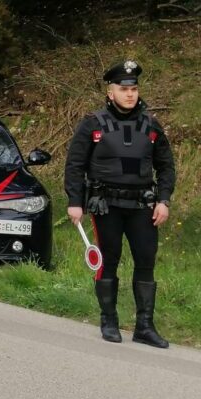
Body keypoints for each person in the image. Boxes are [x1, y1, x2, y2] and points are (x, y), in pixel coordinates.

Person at [65, 60, 175, 348]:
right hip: (106, 205)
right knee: (108, 260)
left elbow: (166, 167)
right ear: (110, 91)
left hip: (143, 206)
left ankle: (145, 327)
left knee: (146, 262)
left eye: (134, 89)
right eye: (123, 89)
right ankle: (109, 321)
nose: (130, 94)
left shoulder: (151, 125)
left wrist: (164, 200)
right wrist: (75, 202)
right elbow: (75, 165)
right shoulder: (92, 123)